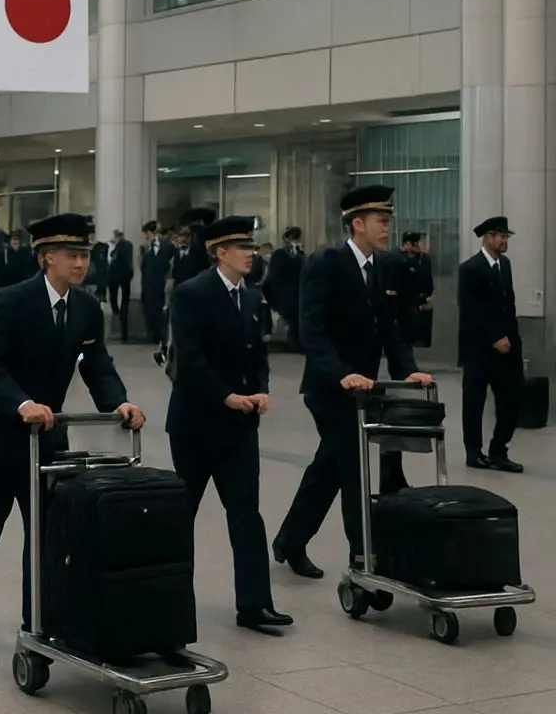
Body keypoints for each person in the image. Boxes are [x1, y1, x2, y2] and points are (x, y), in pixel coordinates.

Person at [0, 213, 142, 639]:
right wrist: (22, 402)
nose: (81, 264)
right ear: (46, 258)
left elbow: (96, 363)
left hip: (47, 439)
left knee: (46, 533)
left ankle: (38, 622)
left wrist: (118, 401)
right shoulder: (12, 300)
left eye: (85, 255)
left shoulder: (86, 308)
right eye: (72, 255)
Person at [271, 186, 432, 579]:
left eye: (388, 221)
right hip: (329, 389)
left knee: (329, 467)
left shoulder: (384, 266)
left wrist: (406, 368)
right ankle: (364, 559)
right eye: (380, 221)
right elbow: (312, 330)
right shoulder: (326, 262)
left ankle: (290, 541)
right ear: (357, 223)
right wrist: (340, 372)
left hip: (365, 389)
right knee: (353, 468)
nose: (386, 229)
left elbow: (390, 329)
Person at [166, 216, 291, 632]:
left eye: (252, 247)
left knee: (246, 514)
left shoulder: (253, 298)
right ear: (219, 252)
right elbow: (191, 359)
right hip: (197, 425)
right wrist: (225, 396)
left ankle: (254, 605)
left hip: (241, 426)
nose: (250, 254)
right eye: (241, 248)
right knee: (183, 516)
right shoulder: (191, 294)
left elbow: (259, 356)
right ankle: (171, 604)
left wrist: (260, 390)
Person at [459, 216, 523, 472]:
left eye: (506, 236)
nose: (504, 240)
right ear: (487, 237)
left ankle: (499, 450)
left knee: (511, 398)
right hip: (479, 348)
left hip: (508, 348)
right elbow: (471, 310)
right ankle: (474, 452)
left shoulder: (504, 265)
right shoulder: (471, 269)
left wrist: (511, 338)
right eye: (500, 236)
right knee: (474, 403)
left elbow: (508, 305)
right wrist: (494, 337)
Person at [140, 222, 170, 350]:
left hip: (162, 284)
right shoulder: (145, 248)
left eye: (147, 234)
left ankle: (161, 335)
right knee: (150, 309)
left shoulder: (167, 247)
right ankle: (153, 334)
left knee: (161, 310)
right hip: (149, 285)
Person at [108, 228, 135, 342]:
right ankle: (124, 334)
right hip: (126, 277)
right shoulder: (129, 245)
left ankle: (116, 313)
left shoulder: (117, 247)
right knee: (125, 302)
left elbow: (114, 257)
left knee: (114, 300)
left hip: (115, 277)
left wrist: (113, 247)